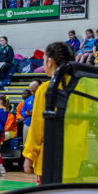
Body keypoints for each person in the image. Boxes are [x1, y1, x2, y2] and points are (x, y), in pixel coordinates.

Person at [23, 41, 74, 183]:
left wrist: (29, 156)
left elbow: (38, 127)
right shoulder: (83, 89)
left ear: (50, 62)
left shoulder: (46, 90)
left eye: (44, 60)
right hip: (76, 161)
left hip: (50, 160)